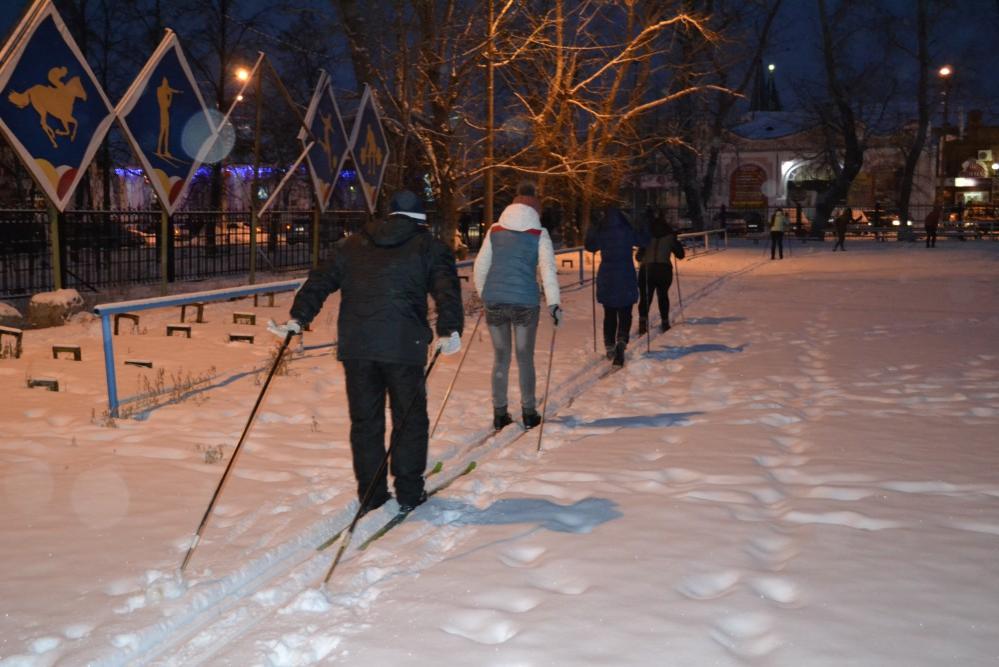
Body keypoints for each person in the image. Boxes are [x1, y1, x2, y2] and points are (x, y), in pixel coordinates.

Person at [269, 190, 464, 515]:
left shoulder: (353, 244)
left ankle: (372, 495)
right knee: (409, 419)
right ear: (420, 219)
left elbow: (319, 280)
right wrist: (449, 328)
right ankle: (409, 491)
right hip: (404, 345)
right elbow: (446, 288)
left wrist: (298, 318)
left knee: (365, 422)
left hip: (357, 347)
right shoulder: (429, 246)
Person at [473, 181, 561, 431]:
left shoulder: (495, 230)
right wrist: (554, 304)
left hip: (495, 302)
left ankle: (499, 413)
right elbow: (548, 272)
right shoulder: (539, 234)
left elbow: (480, 267)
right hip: (525, 304)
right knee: (525, 358)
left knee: (500, 358)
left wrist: (485, 296)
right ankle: (529, 412)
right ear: (536, 207)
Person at [585, 206, 650, 367]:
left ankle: (609, 346)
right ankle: (621, 341)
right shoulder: (627, 230)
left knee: (610, 313)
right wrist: (643, 224)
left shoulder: (602, 230)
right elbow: (645, 241)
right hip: (625, 274)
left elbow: (590, 246)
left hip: (607, 276)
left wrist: (592, 227)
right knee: (626, 312)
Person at [637, 210, 685, 335]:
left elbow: (638, 256)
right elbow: (680, 255)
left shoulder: (647, 236)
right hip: (663, 270)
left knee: (645, 297)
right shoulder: (670, 236)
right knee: (663, 295)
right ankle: (664, 321)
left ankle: (642, 322)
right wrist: (675, 241)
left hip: (646, 269)